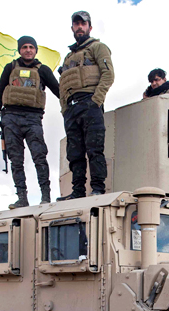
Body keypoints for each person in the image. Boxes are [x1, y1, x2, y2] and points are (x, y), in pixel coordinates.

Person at [0, 36, 60, 208]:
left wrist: (71, 105)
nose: (28, 50)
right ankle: (22, 197)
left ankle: (45, 196)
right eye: (24, 47)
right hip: (10, 117)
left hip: (33, 119)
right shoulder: (10, 68)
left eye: (31, 47)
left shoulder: (43, 70)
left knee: (39, 156)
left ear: (35, 50)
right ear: (19, 50)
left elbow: (58, 91)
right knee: (16, 160)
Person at [57, 10, 114, 200]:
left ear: (89, 27)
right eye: (76, 24)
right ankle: (78, 191)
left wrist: (96, 101)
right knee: (74, 154)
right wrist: (65, 109)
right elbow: (63, 85)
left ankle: (98, 188)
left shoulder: (98, 47)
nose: (79, 27)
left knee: (94, 149)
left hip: (90, 104)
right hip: (72, 109)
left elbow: (108, 75)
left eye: (83, 24)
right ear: (72, 28)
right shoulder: (68, 57)